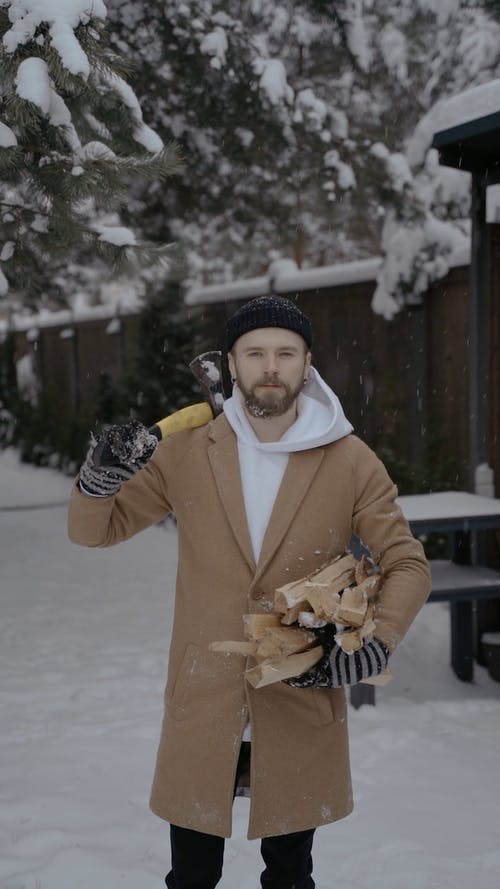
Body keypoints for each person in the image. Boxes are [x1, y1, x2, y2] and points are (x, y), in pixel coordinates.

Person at [68, 295, 431, 889]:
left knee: (290, 875)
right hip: (204, 692)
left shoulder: (349, 459)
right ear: (231, 365)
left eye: (284, 353)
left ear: (306, 362)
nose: (270, 366)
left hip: (299, 687)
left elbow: (406, 562)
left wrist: (378, 640)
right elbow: (95, 531)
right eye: (254, 353)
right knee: (190, 875)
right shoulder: (188, 451)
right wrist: (97, 480)